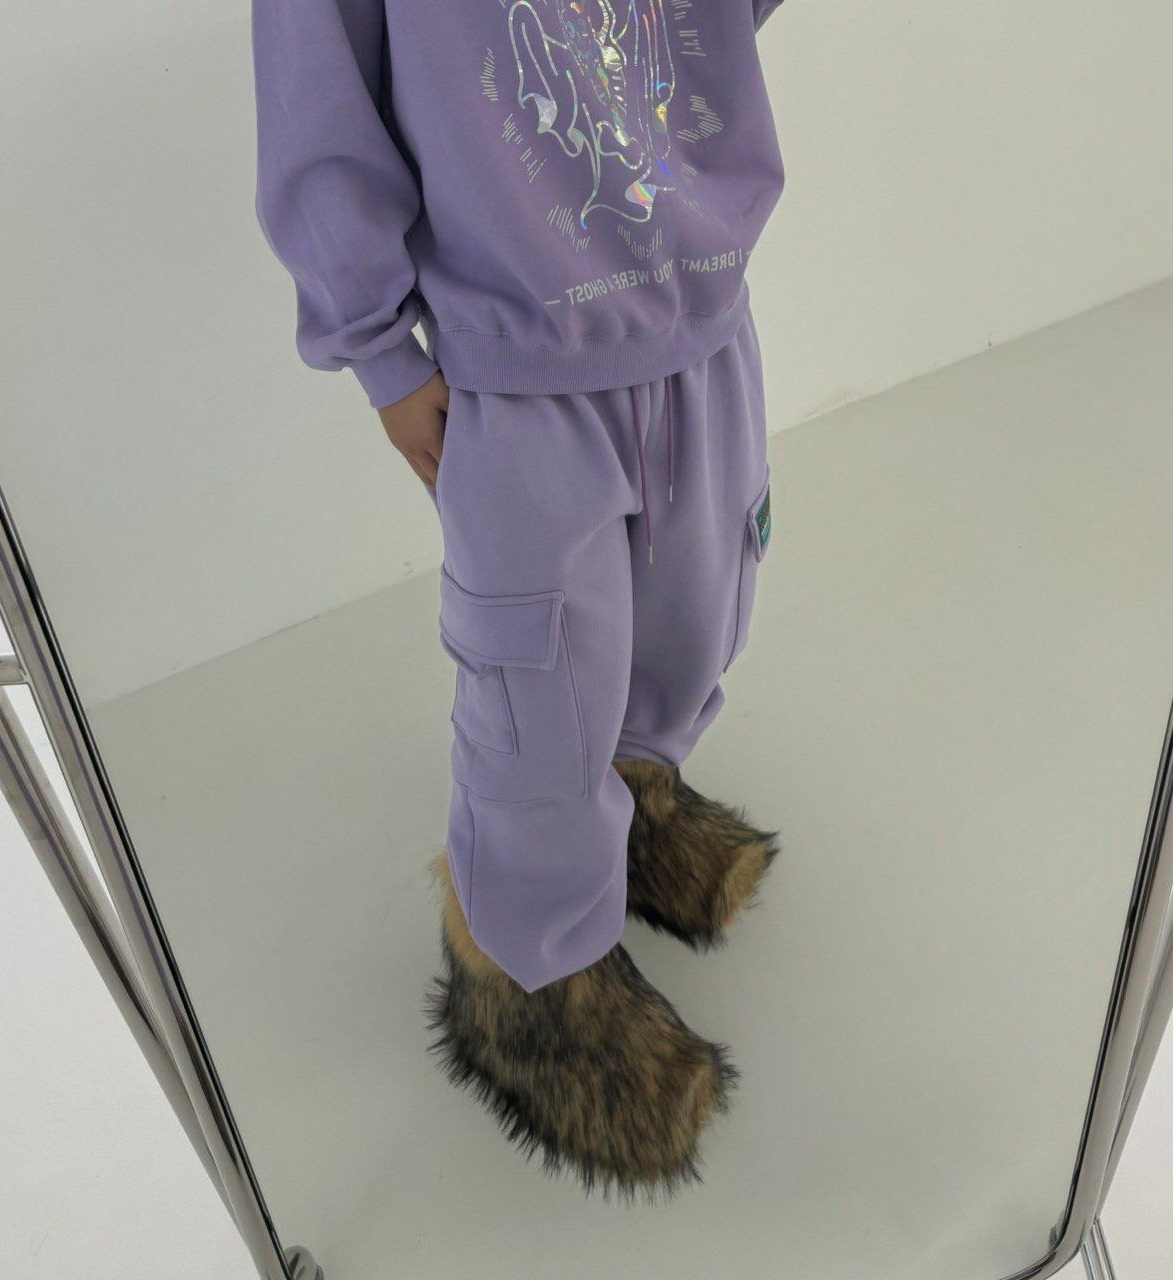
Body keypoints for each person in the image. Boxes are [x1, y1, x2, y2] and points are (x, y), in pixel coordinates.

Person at [252, 0, 786, 1194]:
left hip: (702, 306)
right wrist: (380, 348)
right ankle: (529, 974)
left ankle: (639, 809)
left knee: (694, 615)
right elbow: (314, 89)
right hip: (517, 354)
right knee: (540, 687)